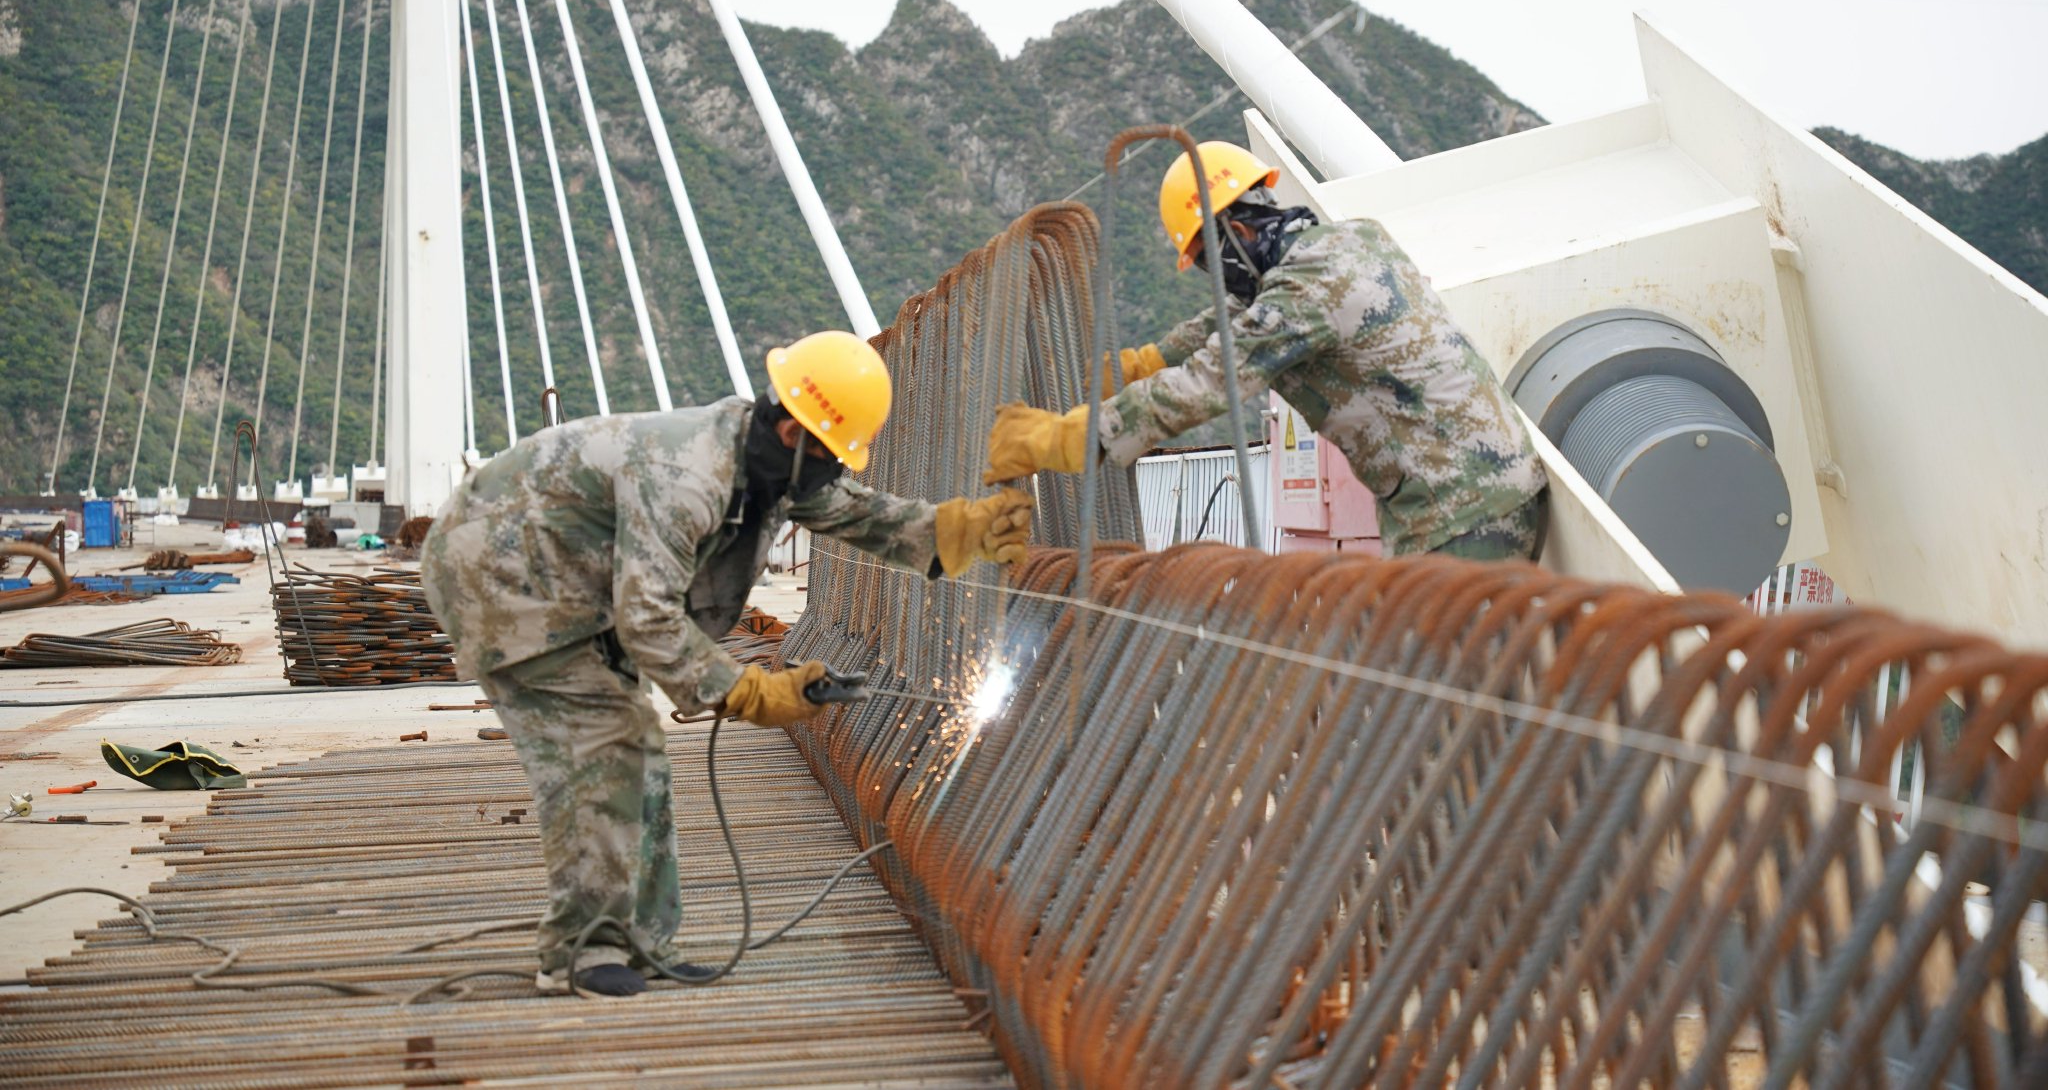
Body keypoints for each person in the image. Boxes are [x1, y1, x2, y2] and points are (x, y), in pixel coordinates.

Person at [421, 330, 1032, 998]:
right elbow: (649, 617)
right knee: (602, 744)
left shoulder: (767, 462)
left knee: (638, 744)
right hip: (502, 576)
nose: (836, 474)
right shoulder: (688, 476)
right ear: (797, 434)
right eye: (834, 457)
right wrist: (749, 691)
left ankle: (638, 942)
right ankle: (580, 951)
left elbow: (850, 510)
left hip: (573, 580)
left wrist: (957, 532)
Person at [982, 140, 1546, 560]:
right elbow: (1230, 320)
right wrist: (1142, 363)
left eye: (1207, 256)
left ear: (1239, 233)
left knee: (1442, 704)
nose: (1213, 274)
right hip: (1460, 497)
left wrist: (1061, 440)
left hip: (1464, 509)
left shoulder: (1306, 291)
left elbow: (1206, 383)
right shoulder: (1342, 245)